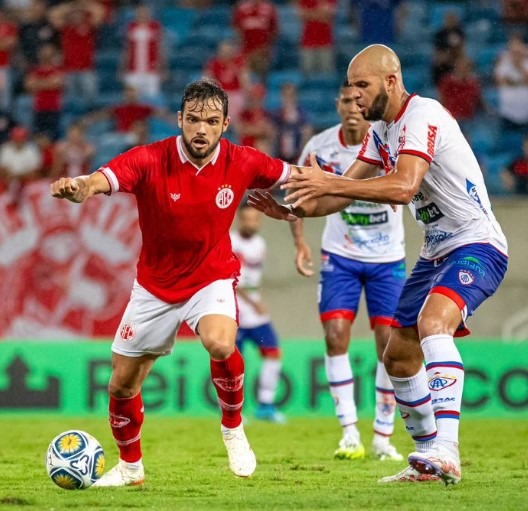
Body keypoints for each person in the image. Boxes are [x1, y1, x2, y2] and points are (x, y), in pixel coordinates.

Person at [249, 44, 508, 485]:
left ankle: (447, 448)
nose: (357, 99)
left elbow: (405, 186)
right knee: (399, 355)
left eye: (363, 87)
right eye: (351, 90)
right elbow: (342, 191)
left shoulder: (421, 116)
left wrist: (328, 180)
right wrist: (293, 210)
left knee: (432, 324)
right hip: (435, 252)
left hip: (477, 243)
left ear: (391, 81)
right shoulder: (381, 133)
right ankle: (428, 459)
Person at [50, 78, 293, 486]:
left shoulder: (243, 160)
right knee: (122, 385)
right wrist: (81, 187)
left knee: (220, 342)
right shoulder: (149, 158)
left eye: (212, 121)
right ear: (179, 119)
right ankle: (130, 468)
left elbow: (295, 175)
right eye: (194, 120)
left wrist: (340, 183)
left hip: (210, 277)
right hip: (154, 287)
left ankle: (233, 428)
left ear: (226, 124)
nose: (202, 129)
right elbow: (101, 179)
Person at [290, 81, 405, 462]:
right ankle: (350, 433)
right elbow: (297, 193)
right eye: (346, 100)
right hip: (339, 255)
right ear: (338, 105)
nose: (354, 107)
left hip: (388, 257)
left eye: (360, 100)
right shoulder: (319, 147)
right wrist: (300, 242)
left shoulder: (388, 142)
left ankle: (383, 437)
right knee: (336, 336)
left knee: (388, 347)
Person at [230, 203, 286, 423]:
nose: (250, 223)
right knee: (234, 363)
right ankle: (234, 412)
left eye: (255, 219)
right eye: (246, 219)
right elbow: (232, 278)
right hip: (235, 309)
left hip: (254, 311)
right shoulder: (231, 242)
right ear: (238, 220)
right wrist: (253, 303)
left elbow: (253, 279)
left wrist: (256, 301)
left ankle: (266, 405)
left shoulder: (260, 244)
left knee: (272, 352)